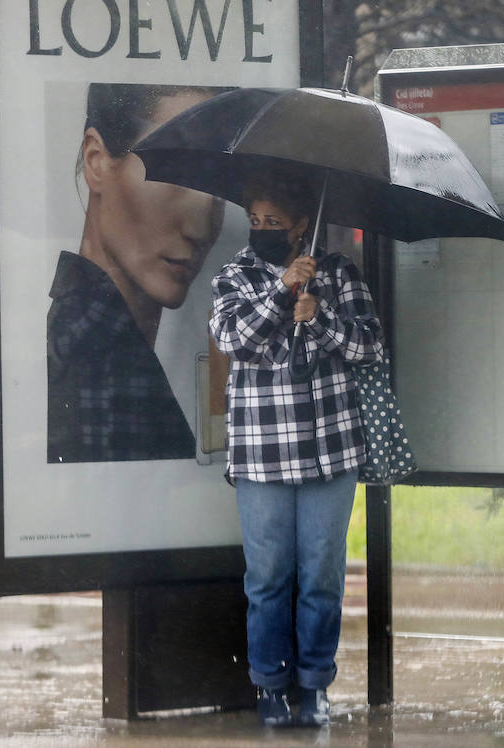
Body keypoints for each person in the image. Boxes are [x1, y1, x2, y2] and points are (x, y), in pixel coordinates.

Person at [209, 170, 383, 728]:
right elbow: (232, 338)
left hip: (331, 451)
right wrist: (283, 290)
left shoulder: (339, 274)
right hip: (262, 452)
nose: (261, 229)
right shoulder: (235, 275)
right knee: (267, 577)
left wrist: (323, 319)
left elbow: (370, 346)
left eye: (273, 223)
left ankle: (314, 685)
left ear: (301, 225)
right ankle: (269, 686)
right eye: (254, 221)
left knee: (322, 576)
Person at [47, 83, 225, 464]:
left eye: (218, 187)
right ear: (96, 161)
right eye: (176, 175)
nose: (201, 227)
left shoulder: (85, 333)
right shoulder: (103, 360)